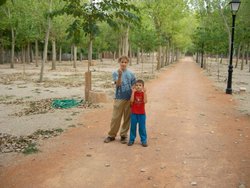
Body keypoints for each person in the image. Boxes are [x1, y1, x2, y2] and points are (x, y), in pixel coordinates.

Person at [104, 56, 136, 144]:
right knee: (115, 117)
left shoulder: (131, 74)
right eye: (122, 62)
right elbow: (118, 85)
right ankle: (111, 135)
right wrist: (120, 75)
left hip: (129, 98)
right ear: (119, 62)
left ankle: (123, 135)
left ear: (127, 63)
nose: (124, 64)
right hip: (119, 97)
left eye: (125, 62)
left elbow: (134, 85)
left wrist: (132, 97)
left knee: (127, 118)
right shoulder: (116, 73)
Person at [128, 79, 148, 147]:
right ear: (134, 86)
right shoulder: (134, 93)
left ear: (143, 87)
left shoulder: (143, 94)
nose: (138, 87)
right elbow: (131, 101)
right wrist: (133, 92)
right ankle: (131, 139)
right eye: (136, 85)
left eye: (140, 85)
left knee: (142, 127)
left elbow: (145, 101)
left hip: (142, 114)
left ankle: (143, 140)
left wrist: (144, 92)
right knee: (133, 127)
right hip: (134, 113)